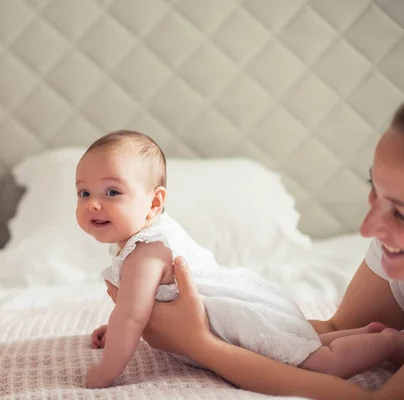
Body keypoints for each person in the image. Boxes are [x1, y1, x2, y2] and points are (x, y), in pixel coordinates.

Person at [105, 102, 404, 400]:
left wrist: (199, 343)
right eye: (374, 190)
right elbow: (332, 329)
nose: (368, 229)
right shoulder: (391, 248)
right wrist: (141, 323)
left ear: (156, 202)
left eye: (400, 213)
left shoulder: (149, 248)